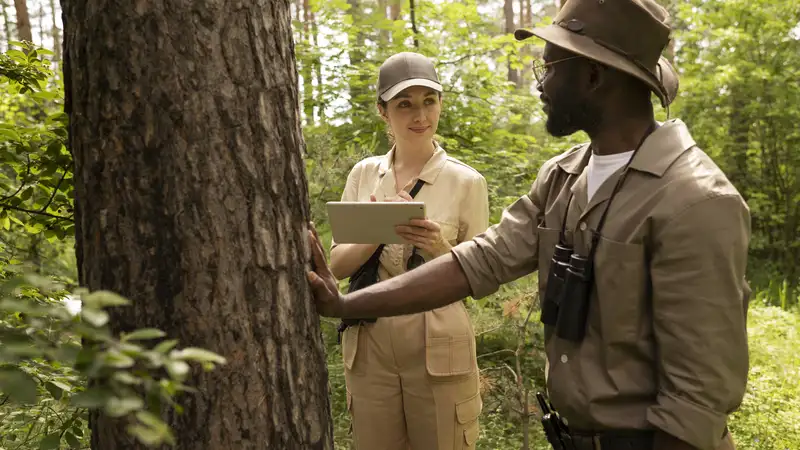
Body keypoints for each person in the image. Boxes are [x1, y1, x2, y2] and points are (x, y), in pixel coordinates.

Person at [308, 1, 752, 450]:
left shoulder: (694, 201)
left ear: (593, 76)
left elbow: (696, 399)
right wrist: (346, 306)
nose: (541, 87)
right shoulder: (563, 178)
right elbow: (480, 261)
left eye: (549, 70)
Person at [327, 51, 490, 450]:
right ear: (383, 112)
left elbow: (484, 278)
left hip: (438, 343)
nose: (420, 115)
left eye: (428, 101)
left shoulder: (466, 182)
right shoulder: (364, 175)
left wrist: (439, 247)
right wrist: (377, 229)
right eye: (405, 104)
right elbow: (336, 266)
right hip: (371, 344)